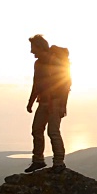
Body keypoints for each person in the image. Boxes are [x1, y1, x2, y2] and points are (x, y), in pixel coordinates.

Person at [24, 34, 69, 173]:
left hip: (55, 101)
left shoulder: (54, 61)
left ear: (39, 47)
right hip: (43, 101)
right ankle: (38, 161)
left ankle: (59, 163)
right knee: (37, 129)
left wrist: (62, 105)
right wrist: (30, 102)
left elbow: (66, 83)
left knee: (53, 132)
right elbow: (36, 83)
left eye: (33, 48)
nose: (31, 51)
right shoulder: (38, 63)